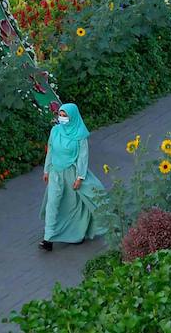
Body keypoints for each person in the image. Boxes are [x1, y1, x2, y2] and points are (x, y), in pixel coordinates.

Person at [40, 103, 107, 251]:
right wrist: (46, 170)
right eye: (60, 115)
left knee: (73, 204)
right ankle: (48, 238)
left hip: (72, 173)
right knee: (53, 203)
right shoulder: (55, 131)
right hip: (56, 173)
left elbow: (83, 157)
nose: (62, 118)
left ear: (73, 117)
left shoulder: (80, 135)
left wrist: (80, 177)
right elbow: (50, 150)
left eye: (65, 116)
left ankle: (76, 234)